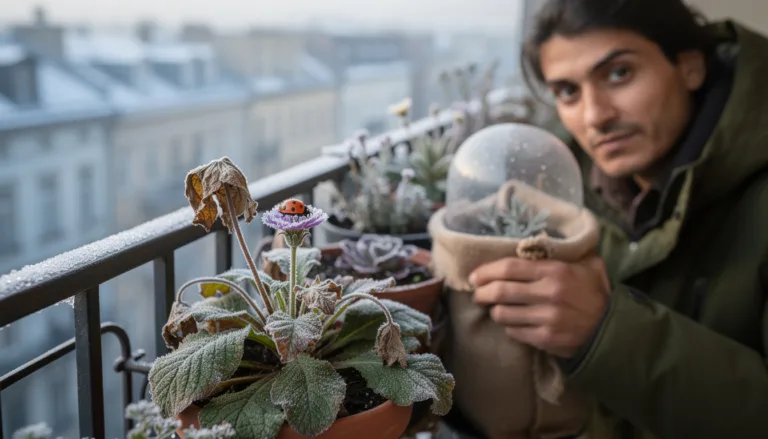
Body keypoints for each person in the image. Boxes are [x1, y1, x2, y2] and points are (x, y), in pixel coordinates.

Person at [465, 0, 768, 437]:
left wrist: (606, 331)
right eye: (568, 91)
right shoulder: (563, 189)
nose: (596, 117)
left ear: (690, 67)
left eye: (619, 73)